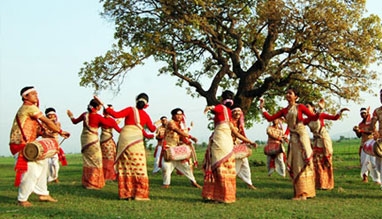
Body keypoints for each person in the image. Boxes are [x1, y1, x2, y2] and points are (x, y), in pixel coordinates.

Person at [9, 86, 70, 207]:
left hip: (29, 145)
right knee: (30, 171)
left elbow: (37, 130)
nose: (36, 96)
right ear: (25, 97)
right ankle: (22, 199)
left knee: (43, 167)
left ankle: (43, 193)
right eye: (33, 94)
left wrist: (45, 133)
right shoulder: (28, 107)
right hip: (21, 145)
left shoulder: (31, 110)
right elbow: (46, 121)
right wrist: (60, 131)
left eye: (36, 94)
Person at [259, 88, 320, 200]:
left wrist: (320, 109)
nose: (287, 95)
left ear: (296, 97)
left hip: (302, 136)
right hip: (293, 138)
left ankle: (305, 193)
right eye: (286, 93)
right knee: (295, 162)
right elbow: (270, 118)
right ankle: (300, 192)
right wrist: (262, 108)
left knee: (304, 160)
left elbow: (313, 117)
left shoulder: (300, 107)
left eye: (290, 93)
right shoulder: (284, 110)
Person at [101, 93, 156, 201]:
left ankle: (126, 193)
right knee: (138, 166)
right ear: (146, 104)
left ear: (136, 101)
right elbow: (152, 129)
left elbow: (116, 115)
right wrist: (156, 125)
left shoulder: (130, 109)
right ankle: (139, 194)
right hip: (137, 141)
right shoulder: (145, 115)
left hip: (125, 140)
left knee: (125, 165)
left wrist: (105, 106)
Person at [202, 90, 255, 203]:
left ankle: (217, 195)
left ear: (222, 99)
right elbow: (236, 133)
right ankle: (225, 196)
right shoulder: (229, 114)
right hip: (227, 142)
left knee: (217, 166)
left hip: (220, 140)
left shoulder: (221, 107)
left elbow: (215, 109)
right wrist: (249, 141)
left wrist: (209, 108)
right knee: (225, 166)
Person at [67, 98, 120, 190]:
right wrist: (115, 120)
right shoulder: (98, 117)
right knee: (96, 161)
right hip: (93, 141)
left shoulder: (85, 115)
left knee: (87, 160)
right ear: (97, 107)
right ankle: (93, 183)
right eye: (99, 105)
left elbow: (74, 121)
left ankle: (86, 182)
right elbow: (109, 123)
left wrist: (71, 116)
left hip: (84, 140)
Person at [304, 101, 349, 190]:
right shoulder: (306, 120)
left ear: (313, 107)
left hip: (324, 139)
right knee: (316, 162)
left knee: (326, 160)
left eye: (307, 106)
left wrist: (341, 111)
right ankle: (319, 184)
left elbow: (335, 118)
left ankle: (327, 184)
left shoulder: (320, 115)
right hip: (316, 140)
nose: (306, 108)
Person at [160, 108, 201, 189]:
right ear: (173, 115)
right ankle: (166, 184)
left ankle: (193, 182)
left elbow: (181, 135)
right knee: (166, 167)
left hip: (176, 149)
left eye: (181, 114)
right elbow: (177, 131)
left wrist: (187, 141)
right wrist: (190, 137)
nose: (179, 116)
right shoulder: (170, 123)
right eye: (177, 114)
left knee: (186, 166)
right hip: (168, 148)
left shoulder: (180, 124)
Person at [230, 106, 257, 190]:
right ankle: (229, 181)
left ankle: (249, 183)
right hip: (228, 146)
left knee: (245, 164)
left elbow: (242, 135)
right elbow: (237, 135)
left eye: (239, 111)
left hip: (237, 145)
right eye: (235, 111)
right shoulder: (230, 122)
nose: (237, 113)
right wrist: (250, 142)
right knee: (232, 165)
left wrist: (248, 143)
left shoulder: (239, 124)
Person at [353, 107, 380, 183]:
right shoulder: (360, 124)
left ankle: (377, 179)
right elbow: (359, 135)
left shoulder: (371, 121)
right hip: (364, 144)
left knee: (374, 162)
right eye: (361, 113)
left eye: (364, 113)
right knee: (363, 162)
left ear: (367, 113)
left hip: (372, 144)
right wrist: (356, 131)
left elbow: (371, 132)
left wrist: (361, 130)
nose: (363, 115)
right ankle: (365, 178)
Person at [42, 107, 68, 183]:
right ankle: (50, 178)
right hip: (47, 144)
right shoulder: (43, 123)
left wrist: (64, 135)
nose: (53, 116)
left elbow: (58, 131)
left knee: (54, 163)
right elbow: (44, 133)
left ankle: (54, 177)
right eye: (50, 115)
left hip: (55, 144)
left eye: (54, 114)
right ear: (47, 116)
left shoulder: (57, 123)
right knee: (48, 163)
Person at [100, 105, 121, 181]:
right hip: (108, 141)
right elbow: (119, 130)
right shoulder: (111, 121)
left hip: (102, 141)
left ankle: (104, 175)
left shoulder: (101, 119)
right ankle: (110, 176)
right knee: (110, 158)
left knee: (103, 158)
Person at [371, 89, 382, 187]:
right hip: (380, 140)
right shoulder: (377, 111)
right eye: (381, 97)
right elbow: (373, 123)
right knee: (378, 164)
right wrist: (375, 132)